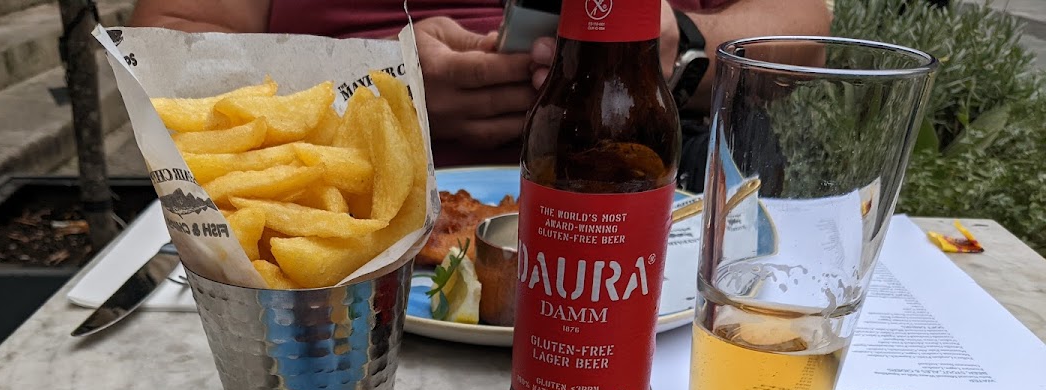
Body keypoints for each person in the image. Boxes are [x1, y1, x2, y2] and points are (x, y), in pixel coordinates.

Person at [129, 0, 831, 171]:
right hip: (338, 253)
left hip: (661, 227)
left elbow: (805, 21)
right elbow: (168, 44)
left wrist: (674, 39)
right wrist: (365, 96)